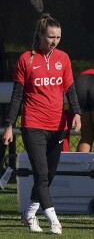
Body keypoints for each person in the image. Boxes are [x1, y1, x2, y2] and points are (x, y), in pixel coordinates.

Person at [2, 13, 82, 234]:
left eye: (58, 37)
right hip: (33, 124)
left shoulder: (63, 58)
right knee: (42, 174)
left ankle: (29, 215)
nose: (55, 41)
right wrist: (9, 124)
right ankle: (54, 220)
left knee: (47, 175)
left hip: (58, 126)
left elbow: (70, 89)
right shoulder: (26, 59)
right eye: (50, 37)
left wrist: (76, 112)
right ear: (40, 35)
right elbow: (17, 95)